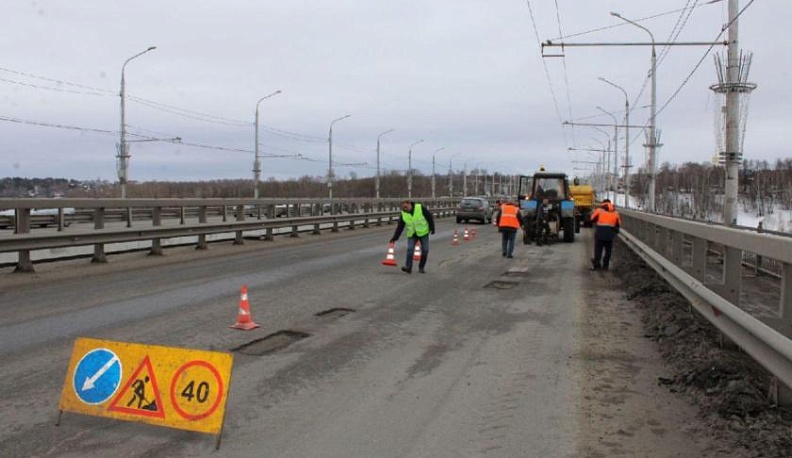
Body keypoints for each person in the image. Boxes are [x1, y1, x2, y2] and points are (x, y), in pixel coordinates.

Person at [389, 200, 435, 274]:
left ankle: (421, 267)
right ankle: (408, 267)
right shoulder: (403, 213)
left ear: (410, 204)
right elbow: (400, 227)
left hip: (423, 232)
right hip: (412, 234)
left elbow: (429, 217)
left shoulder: (420, 208)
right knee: (410, 249)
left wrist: (432, 228)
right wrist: (395, 237)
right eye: (403, 207)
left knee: (425, 250)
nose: (405, 208)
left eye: (406, 207)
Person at [590, 199, 621, 270]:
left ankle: (597, 264)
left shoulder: (599, 210)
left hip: (600, 232)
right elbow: (618, 224)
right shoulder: (616, 213)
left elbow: (592, 219)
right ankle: (605, 265)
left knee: (598, 249)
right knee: (608, 250)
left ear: (603, 204)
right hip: (610, 234)